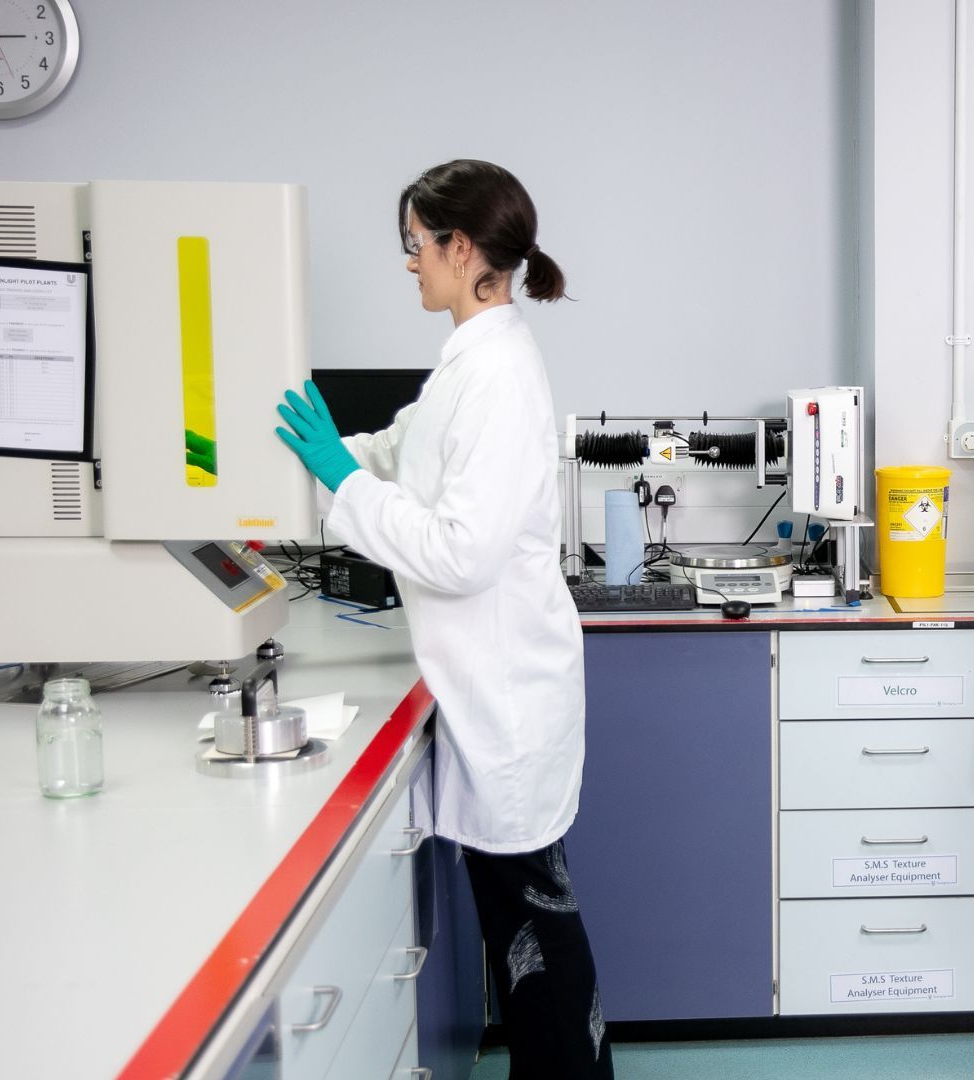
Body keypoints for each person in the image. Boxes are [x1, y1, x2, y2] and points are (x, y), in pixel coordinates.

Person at [273, 160, 613, 1079]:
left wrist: (340, 484)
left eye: (416, 246)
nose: (410, 263)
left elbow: (460, 551)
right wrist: (318, 459)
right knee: (525, 928)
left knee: (536, 930)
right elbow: (403, 449)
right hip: (491, 692)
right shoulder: (472, 357)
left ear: (462, 249)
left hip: (507, 699)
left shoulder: (498, 371)